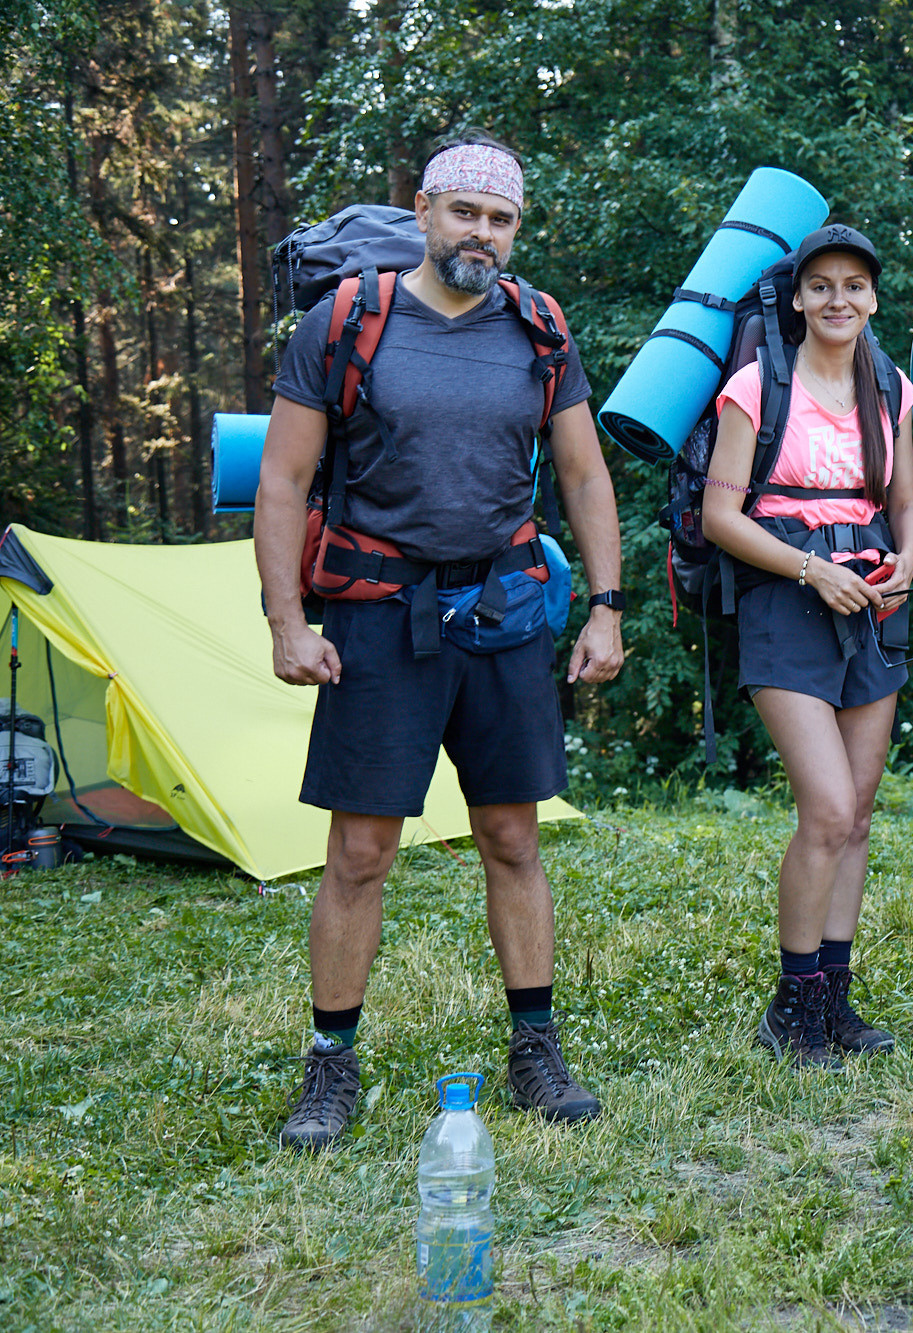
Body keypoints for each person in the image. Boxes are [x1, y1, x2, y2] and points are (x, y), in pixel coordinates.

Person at [257, 133, 625, 1150]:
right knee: (361, 850)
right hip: (378, 610)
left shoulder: (539, 328)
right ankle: (330, 1066)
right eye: (465, 212)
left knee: (512, 834)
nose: (482, 233)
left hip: (503, 609)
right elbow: (283, 480)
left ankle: (535, 1049)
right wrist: (288, 621)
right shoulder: (348, 321)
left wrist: (605, 603)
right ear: (422, 211)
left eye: (500, 218)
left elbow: (585, 477)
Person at [703, 224, 913, 1069]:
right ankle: (792, 1005)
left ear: (873, 297)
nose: (839, 300)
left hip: (873, 600)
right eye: (821, 285)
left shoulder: (889, 389)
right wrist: (810, 570)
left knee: (858, 816)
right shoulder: (756, 387)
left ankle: (834, 997)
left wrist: (908, 557)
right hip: (785, 604)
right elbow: (720, 517)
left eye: (855, 286)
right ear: (796, 297)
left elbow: (905, 503)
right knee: (828, 809)